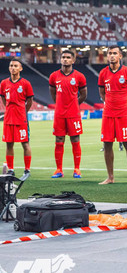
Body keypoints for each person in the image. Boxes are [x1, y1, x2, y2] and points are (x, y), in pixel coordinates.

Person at [98, 46, 127, 185]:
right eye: (110, 53)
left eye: (115, 53)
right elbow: (102, 92)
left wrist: (125, 105)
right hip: (108, 113)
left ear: (120, 56)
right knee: (107, 144)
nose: (112, 56)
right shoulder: (103, 73)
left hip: (123, 113)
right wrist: (108, 102)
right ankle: (110, 177)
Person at [48, 50, 87, 178]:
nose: (65, 59)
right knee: (59, 140)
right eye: (63, 57)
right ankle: (59, 169)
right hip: (59, 114)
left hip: (73, 114)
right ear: (60, 59)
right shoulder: (54, 76)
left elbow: (83, 94)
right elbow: (53, 93)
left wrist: (74, 104)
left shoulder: (79, 76)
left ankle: (77, 169)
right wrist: (59, 104)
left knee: (75, 139)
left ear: (73, 60)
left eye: (68, 57)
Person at [1, 60, 33, 177]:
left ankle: (27, 169)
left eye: (15, 66)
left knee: (25, 144)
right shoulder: (4, 83)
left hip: (21, 119)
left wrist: (22, 112)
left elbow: (30, 101)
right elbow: (3, 98)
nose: (13, 68)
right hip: (9, 118)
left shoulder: (25, 84)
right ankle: (11, 169)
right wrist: (10, 109)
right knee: (9, 144)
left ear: (20, 68)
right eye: (11, 66)